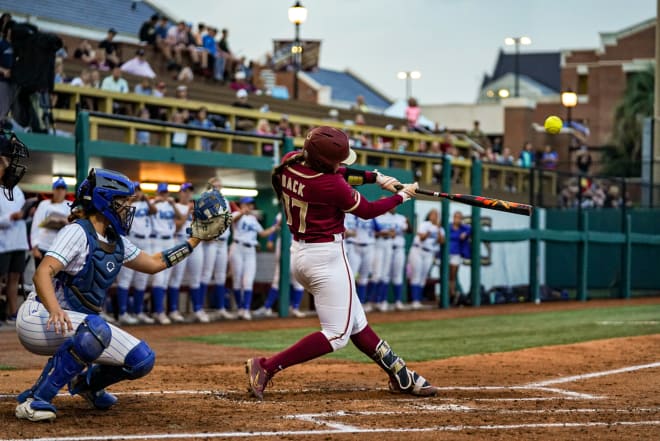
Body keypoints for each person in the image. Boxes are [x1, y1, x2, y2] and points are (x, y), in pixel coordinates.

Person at [14, 168, 228, 422]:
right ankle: (36, 399)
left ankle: (87, 384)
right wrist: (54, 309)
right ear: (105, 201)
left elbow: (154, 263)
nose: (128, 207)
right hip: (38, 318)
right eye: (123, 202)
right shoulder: (77, 232)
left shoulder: (116, 241)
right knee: (96, 329)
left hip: (76, 325)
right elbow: (42, 273)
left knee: (142, 359)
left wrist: (195, 240)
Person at [246, 126, 436, 401]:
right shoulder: (329, 185)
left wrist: (377, 178)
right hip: (326, 259)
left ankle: (401, 374)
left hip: (302, 255)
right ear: (324, 161)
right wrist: (401, 196)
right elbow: (368, 210)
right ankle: (265, 366)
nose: (341, 165)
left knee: (357, 324)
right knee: (337, 335)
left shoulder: (291, 162)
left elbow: (341, 171)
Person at [229, 196, 279, 320]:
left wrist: (274, 228)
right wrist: (241, 212)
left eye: (251, 204)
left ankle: (245, 309)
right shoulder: (236, 214)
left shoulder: (253, 219)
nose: (249, 206)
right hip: (237, 248)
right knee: (237, 280)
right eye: (247, 204)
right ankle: (240, 308)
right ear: (241, 205)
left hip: (250, 250)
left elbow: (262, 233)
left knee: (248, 280)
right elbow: (231, 221)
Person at [114, 182, 156, 325]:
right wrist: (131, 199)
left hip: (146, 241)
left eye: (138, 190)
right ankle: (122, 313)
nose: (137, 192)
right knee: (125, 278)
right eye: (135, 190)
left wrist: (146, 199)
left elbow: (154, 210)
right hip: (131, 239)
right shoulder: (124, 204)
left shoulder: (145, 204)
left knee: (142, 278)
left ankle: (138, 312)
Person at [167, 183, 207, 322]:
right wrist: (186, 213)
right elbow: (176, 228)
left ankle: (197, 309)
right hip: (179, 241)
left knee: (196, 278)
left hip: (195, 243)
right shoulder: (175, 206)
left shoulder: (197, 208)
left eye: (190, 191)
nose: (187, 194)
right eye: (185, 191)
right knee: (176, 277)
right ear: (180, 193)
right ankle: (173, 310)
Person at [0, 132, 30, 323]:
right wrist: (11, 217)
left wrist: (25, 214)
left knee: (14, 279)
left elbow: (22, 210)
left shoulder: (16, 190)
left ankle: (12, 312)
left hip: (18, 241)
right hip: (2, 242)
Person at [253, 213, 306, 318]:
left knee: (297, 277)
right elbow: (276, 225)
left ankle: (294, 308)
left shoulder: (303, 211)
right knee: (279, 276)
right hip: (284, 245)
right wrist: (270, 240)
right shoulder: (281, 213)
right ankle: (267, 307)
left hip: (299, 245)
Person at [199, 177, 234, 320]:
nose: (217, 188)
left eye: (219, 185)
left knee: (220, 275)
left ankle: (221, 308)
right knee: (206, 274)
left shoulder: (225, 201)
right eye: (214, 185)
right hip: (211, 242)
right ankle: (199, 309)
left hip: (223, 241)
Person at [149, 182, 184, 324]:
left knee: (166, 278)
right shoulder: (152, 203)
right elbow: (149, 209)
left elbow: (181, 217)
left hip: (170, 240)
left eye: (166, 193)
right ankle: (158, 311)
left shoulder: (171, 204)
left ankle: (161, 311)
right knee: (158, 277)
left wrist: (173, 203)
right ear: (157, 193)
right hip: (157, 241)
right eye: (162, 193)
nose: (164, 195)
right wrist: (155, 200)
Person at [407, 209, 444, 309]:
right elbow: (421, 238)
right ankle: (414, 301)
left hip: (429, 253)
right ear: (429, 215)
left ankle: (418, 300)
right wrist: (431, 231)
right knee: (416, 275)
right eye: (432, 214)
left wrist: (438, 230)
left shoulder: (440, 228)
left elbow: (442, 241)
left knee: (423, 277)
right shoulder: (425, 224)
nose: (434, 217)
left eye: (436, 215)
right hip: (418, 250)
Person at [30, 178, 70, 269]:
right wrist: (34, 247)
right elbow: (35, 225)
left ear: (65, 191)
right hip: (43, 246)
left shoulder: (69, 206)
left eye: (62, 189)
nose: (60, 191)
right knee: (40, 276)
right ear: (53, 190)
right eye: (58, 188)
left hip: (60, 249)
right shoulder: (44, 204)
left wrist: (66, 223)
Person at [448, 211, 471, 306]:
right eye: (456, 217)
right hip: (446, 254)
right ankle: (449, 294)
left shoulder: (463, 228)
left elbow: (471, 229)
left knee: (453, 275)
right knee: (446, 275)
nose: (457, 219)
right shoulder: (448, 226)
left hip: (456, 254)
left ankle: (452, 295)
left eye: (459, 218)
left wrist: (465, 234)